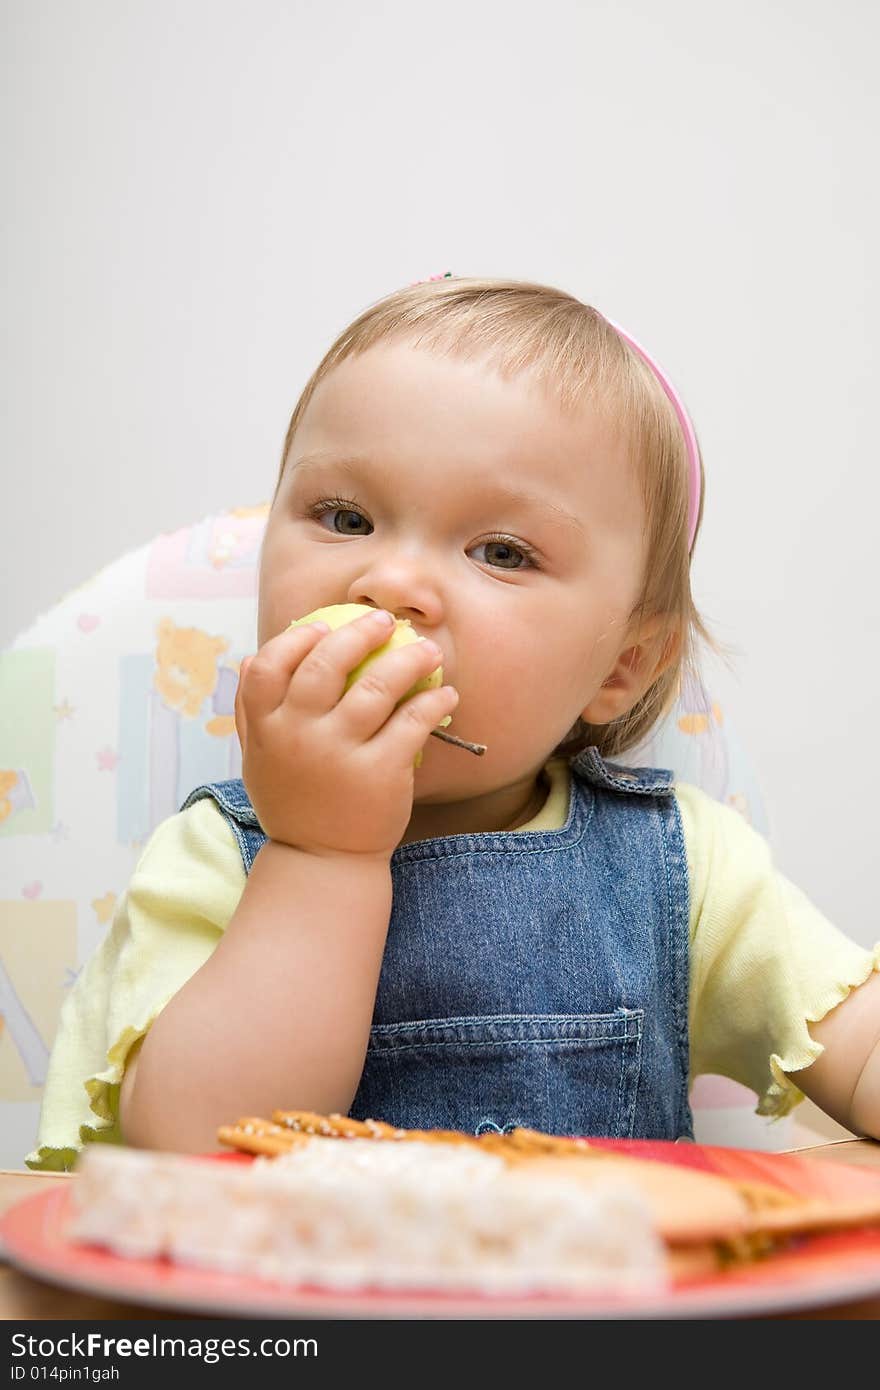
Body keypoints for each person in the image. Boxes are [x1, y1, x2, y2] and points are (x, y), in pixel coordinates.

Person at [27, 276, 880, 1168]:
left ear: (621, 667)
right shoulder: (214, 857)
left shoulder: (687, 869)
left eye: (502, 552)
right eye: (345, 517)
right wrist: (320, 855)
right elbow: (193, 1151)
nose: (390, 583)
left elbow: (858, 1050)